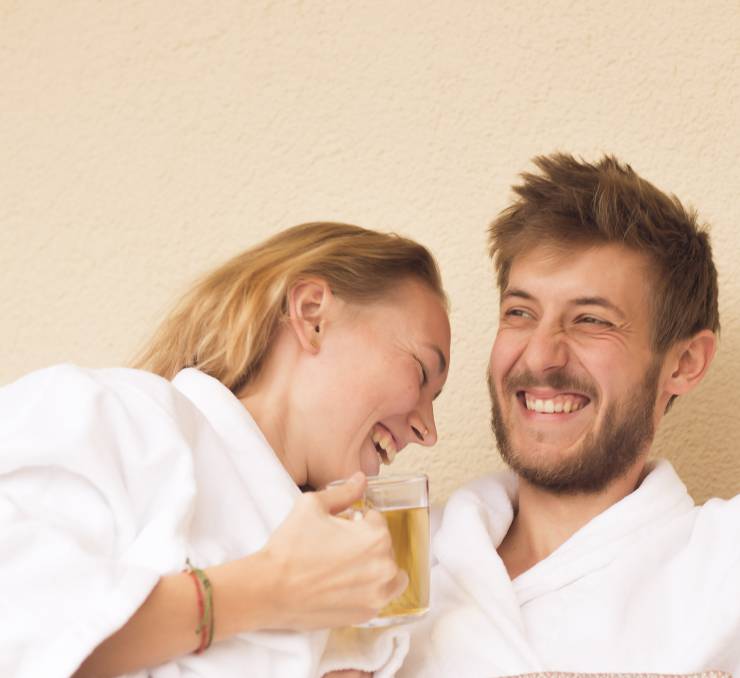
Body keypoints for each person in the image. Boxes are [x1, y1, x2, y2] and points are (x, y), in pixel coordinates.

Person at [0, 221, 451, 678]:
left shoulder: (358, 592)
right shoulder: (112, 417)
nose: (428, 432)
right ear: (313, 315)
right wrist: (270, 587)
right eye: (420, 372)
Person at [380, 154, 738, 677]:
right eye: (520, 313)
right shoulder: (388, 560)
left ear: (684, 363)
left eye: (591, 320)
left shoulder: (725, 565)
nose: (541, 355)